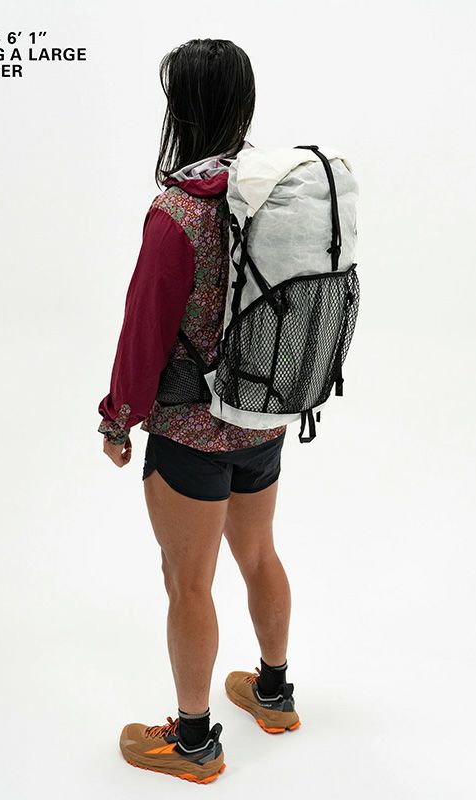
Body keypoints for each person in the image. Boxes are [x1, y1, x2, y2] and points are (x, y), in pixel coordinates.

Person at [97, 39, 300, 785]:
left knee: (189, 583)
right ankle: (273, 694)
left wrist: (118, 417)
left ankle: (191, 744)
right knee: (260, 555)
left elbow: (143, 332)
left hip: (189, 434)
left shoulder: (177, 212)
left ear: (181, 110)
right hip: (262, 415)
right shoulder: (276, 195)